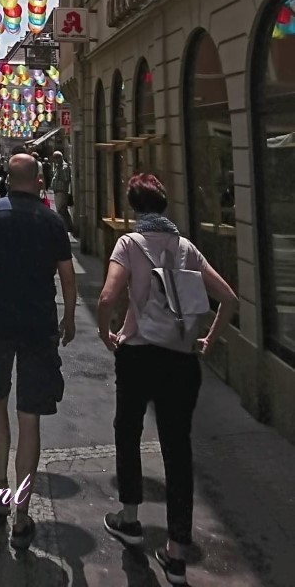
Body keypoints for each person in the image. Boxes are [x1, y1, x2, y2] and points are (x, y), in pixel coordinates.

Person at [98, 173, 238, 585]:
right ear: (163, 205)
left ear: (133, 207)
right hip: (181, 361)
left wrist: (107, 333)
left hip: (139, 356)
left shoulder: (129, 244)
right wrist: (208, 340)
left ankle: (129, 518)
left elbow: (108, 296)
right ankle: (177, 553)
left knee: (128, 431)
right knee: (178, 452)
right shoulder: (187, 248)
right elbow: (228, 298)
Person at [0, 153, 77, 550]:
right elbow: (67, 276)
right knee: (30, 417)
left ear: (9, 179)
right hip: (38, 326)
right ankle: (24, 513)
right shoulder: (52, 221)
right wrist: (69, 318)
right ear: (39, 180)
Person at [51, 150, 73, 233]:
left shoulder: (64, 167)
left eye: (56, 158)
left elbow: (66, 179)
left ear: (60, 158)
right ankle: (68, 226)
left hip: (62, 191)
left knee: (61, 210)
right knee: (62, 210)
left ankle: (66, 227)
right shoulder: (58, 167)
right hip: (57, 191)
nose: (54, 160)